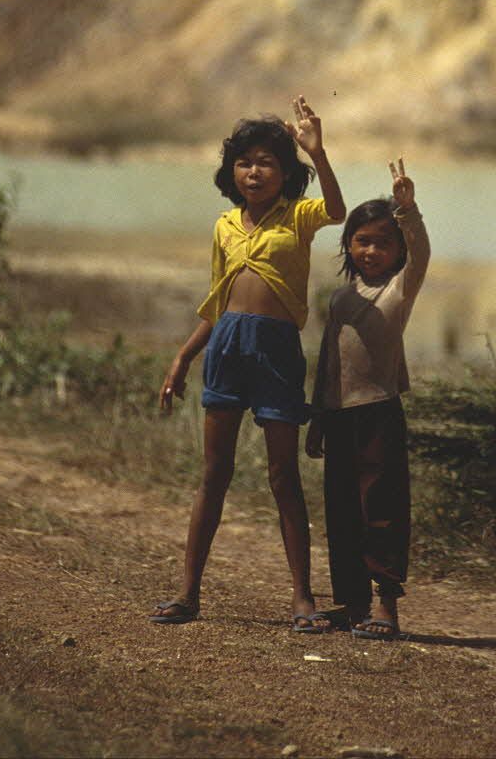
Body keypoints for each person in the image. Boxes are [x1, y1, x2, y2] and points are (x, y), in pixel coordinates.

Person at [152, 95, 345, 633]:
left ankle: (303, 600)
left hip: (277, 350)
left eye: (266, 162)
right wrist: (184, 356)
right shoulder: (224, 226)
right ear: (230, 172)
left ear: (286, 173)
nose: (254, 172)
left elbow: (338, 211)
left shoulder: (299, 218)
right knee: (215, 472)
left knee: (283, 476)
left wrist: (319, 153)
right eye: (244, 162)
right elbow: (217, 304)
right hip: (227, 349)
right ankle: (188, 595)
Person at [306, 159, 429, 641]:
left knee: (381, 508)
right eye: (362, 240)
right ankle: (352, 603)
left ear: (397, 249)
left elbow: (420, 254)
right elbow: (329, 361)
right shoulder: (339, 298)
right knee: (341, 509)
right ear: (348, 245)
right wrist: (316, 417)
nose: (372, 249)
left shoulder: (398, 290)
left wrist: (409, 212)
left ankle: (385, 607)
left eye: (383, 241)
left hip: (378, 412)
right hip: (338, 416)